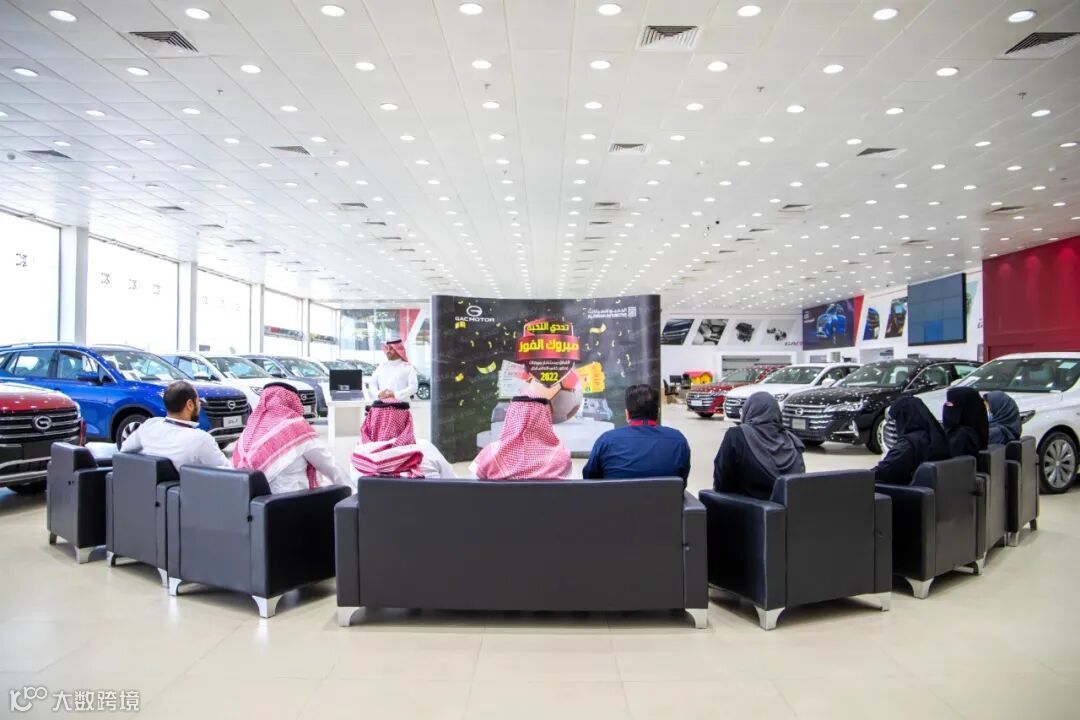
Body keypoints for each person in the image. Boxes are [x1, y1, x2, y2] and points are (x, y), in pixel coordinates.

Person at [232, 384, 351, 493]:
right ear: (292, 401)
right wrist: (354, 495)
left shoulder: (248, 432)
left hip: (252, 499)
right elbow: (330, 467)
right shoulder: (296, 428)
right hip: (291, 500)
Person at [583, 384, 691, 484]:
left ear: (627, 414)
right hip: (665, 499)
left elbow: (589, 481)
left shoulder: (606, 440)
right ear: (657, 412)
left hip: (616, 499)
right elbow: (682, 482)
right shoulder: (678, 441)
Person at [120, 380, 231, 471]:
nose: (199, 405)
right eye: (198, 401)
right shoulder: (201, 439)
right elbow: (229, 473)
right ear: (190, 404)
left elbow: (125, 451)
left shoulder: (149, 426)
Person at [712, 392, 805, 499]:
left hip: (747, 507)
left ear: (748, 411)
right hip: (790, 507)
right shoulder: (792, 440)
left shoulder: (737, 435)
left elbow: (721, 482)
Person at [470, 396, 572, 480]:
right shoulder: (561, 456)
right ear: (545, 417)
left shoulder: (490, 454)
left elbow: (476, 485)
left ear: (511, 416)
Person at [350, 400, 455, 479]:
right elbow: (452, 482)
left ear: (370, 423)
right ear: (407, 422)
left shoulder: (359, 456)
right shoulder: (424, 448)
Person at [873, 395, 951, 484]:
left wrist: (862, 475)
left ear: (903, 417)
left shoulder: (908, 444)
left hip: (907, 489)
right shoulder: (939, 437)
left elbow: (883, 471)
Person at [942, 386, 990, 458]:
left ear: (968, 408)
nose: (947, 407)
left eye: (951, 404)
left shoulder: (963, 436)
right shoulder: (976, 432)